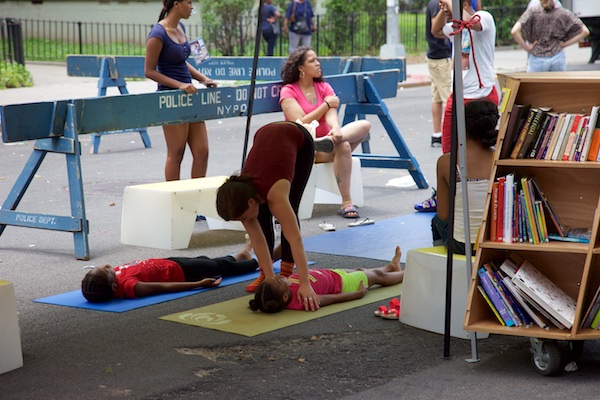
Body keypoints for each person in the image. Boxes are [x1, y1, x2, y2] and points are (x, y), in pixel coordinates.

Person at [216, 121, 334, 308]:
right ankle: (267, 271)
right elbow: (258, 240)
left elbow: (296, 240)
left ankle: (287, 266)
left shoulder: (276, 194)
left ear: (251, 201)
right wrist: (270, 279)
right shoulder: (240, 198)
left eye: (244, 218)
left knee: (289, 212)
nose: (245, 222)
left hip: (298, 139)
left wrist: (304, 283)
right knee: (259, 219)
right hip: (266, 137)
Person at [416, 0, 497, 213]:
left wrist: (454, 6)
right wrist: (444, 11)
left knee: (479, 147)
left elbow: (471, 22)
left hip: (481, 94)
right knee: (448, 147)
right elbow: (435, 30)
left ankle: (481, 192)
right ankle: (446, 192)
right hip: (458, 93)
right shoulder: (454, 26)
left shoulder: (484, 18)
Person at [280, 46, 370, 219]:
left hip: (326, 146)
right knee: (342, 146)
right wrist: (326, 105)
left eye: (317, 59)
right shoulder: (289, 91)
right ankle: (346, 202)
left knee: (362, 127)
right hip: (303, 149)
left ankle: (329, 141)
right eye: (312, 61)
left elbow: (331, 116)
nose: (318, 63)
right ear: (300, 68)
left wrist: (335, 129)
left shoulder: (323, 87)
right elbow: (300, 122)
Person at [144, 0, 218, 181]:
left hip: (190, 96)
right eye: (189, 2)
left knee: (202, 151)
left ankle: (196, 195)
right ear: (176, 4)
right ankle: (174, 200)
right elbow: (149, 71)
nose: (192, 7)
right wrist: (179, 85)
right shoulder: (158, 34)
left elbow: (180, 61)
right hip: (172, 98)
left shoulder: (180, 27)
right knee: (176, 153)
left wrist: (203, 78)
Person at [81, 240, 258, 302]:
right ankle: (259, 261)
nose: (106, 266)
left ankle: (244, 253)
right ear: (113, 287)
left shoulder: (111, 281)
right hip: (184, 272)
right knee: (223, 268)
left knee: (212, 262)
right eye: (106, 271)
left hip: (172, 263)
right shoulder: (128, 286)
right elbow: (164, 287)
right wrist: (198, 284)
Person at [249, 245, 404, 313]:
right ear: (284, 296)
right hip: (343, 285)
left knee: (361, 270)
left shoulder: (286, 289)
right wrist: (357, 294)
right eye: (277, 280)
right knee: (377, 276)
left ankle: (391, 267)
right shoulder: (303, 300)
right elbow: (331, 299)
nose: (278, 276)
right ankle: (407, 273)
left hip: (331, 274)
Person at [431, 100, 498, 256]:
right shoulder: (500, 159)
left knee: (436, 222)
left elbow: (443, 214)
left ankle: (442, 264)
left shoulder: (447, 162)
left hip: (463, 244)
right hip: (496, 240)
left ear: (462, 126)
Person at [511, 0, 589, 73]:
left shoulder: (532, 12)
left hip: (537, 57)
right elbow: (585, 31)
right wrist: (564, 44)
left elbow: (514, 31)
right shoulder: (562, 12)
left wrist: (527, 48)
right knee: (558, 86)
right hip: (557, 56)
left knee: (535, 86)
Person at [425, 0, 452, 148]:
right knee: (449, 96)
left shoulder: (433, 3)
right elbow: (436, 27)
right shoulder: (437, 4)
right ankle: (451, 134)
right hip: (440, 57)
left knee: (436, 96)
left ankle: (437, 134)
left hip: (434, 56)